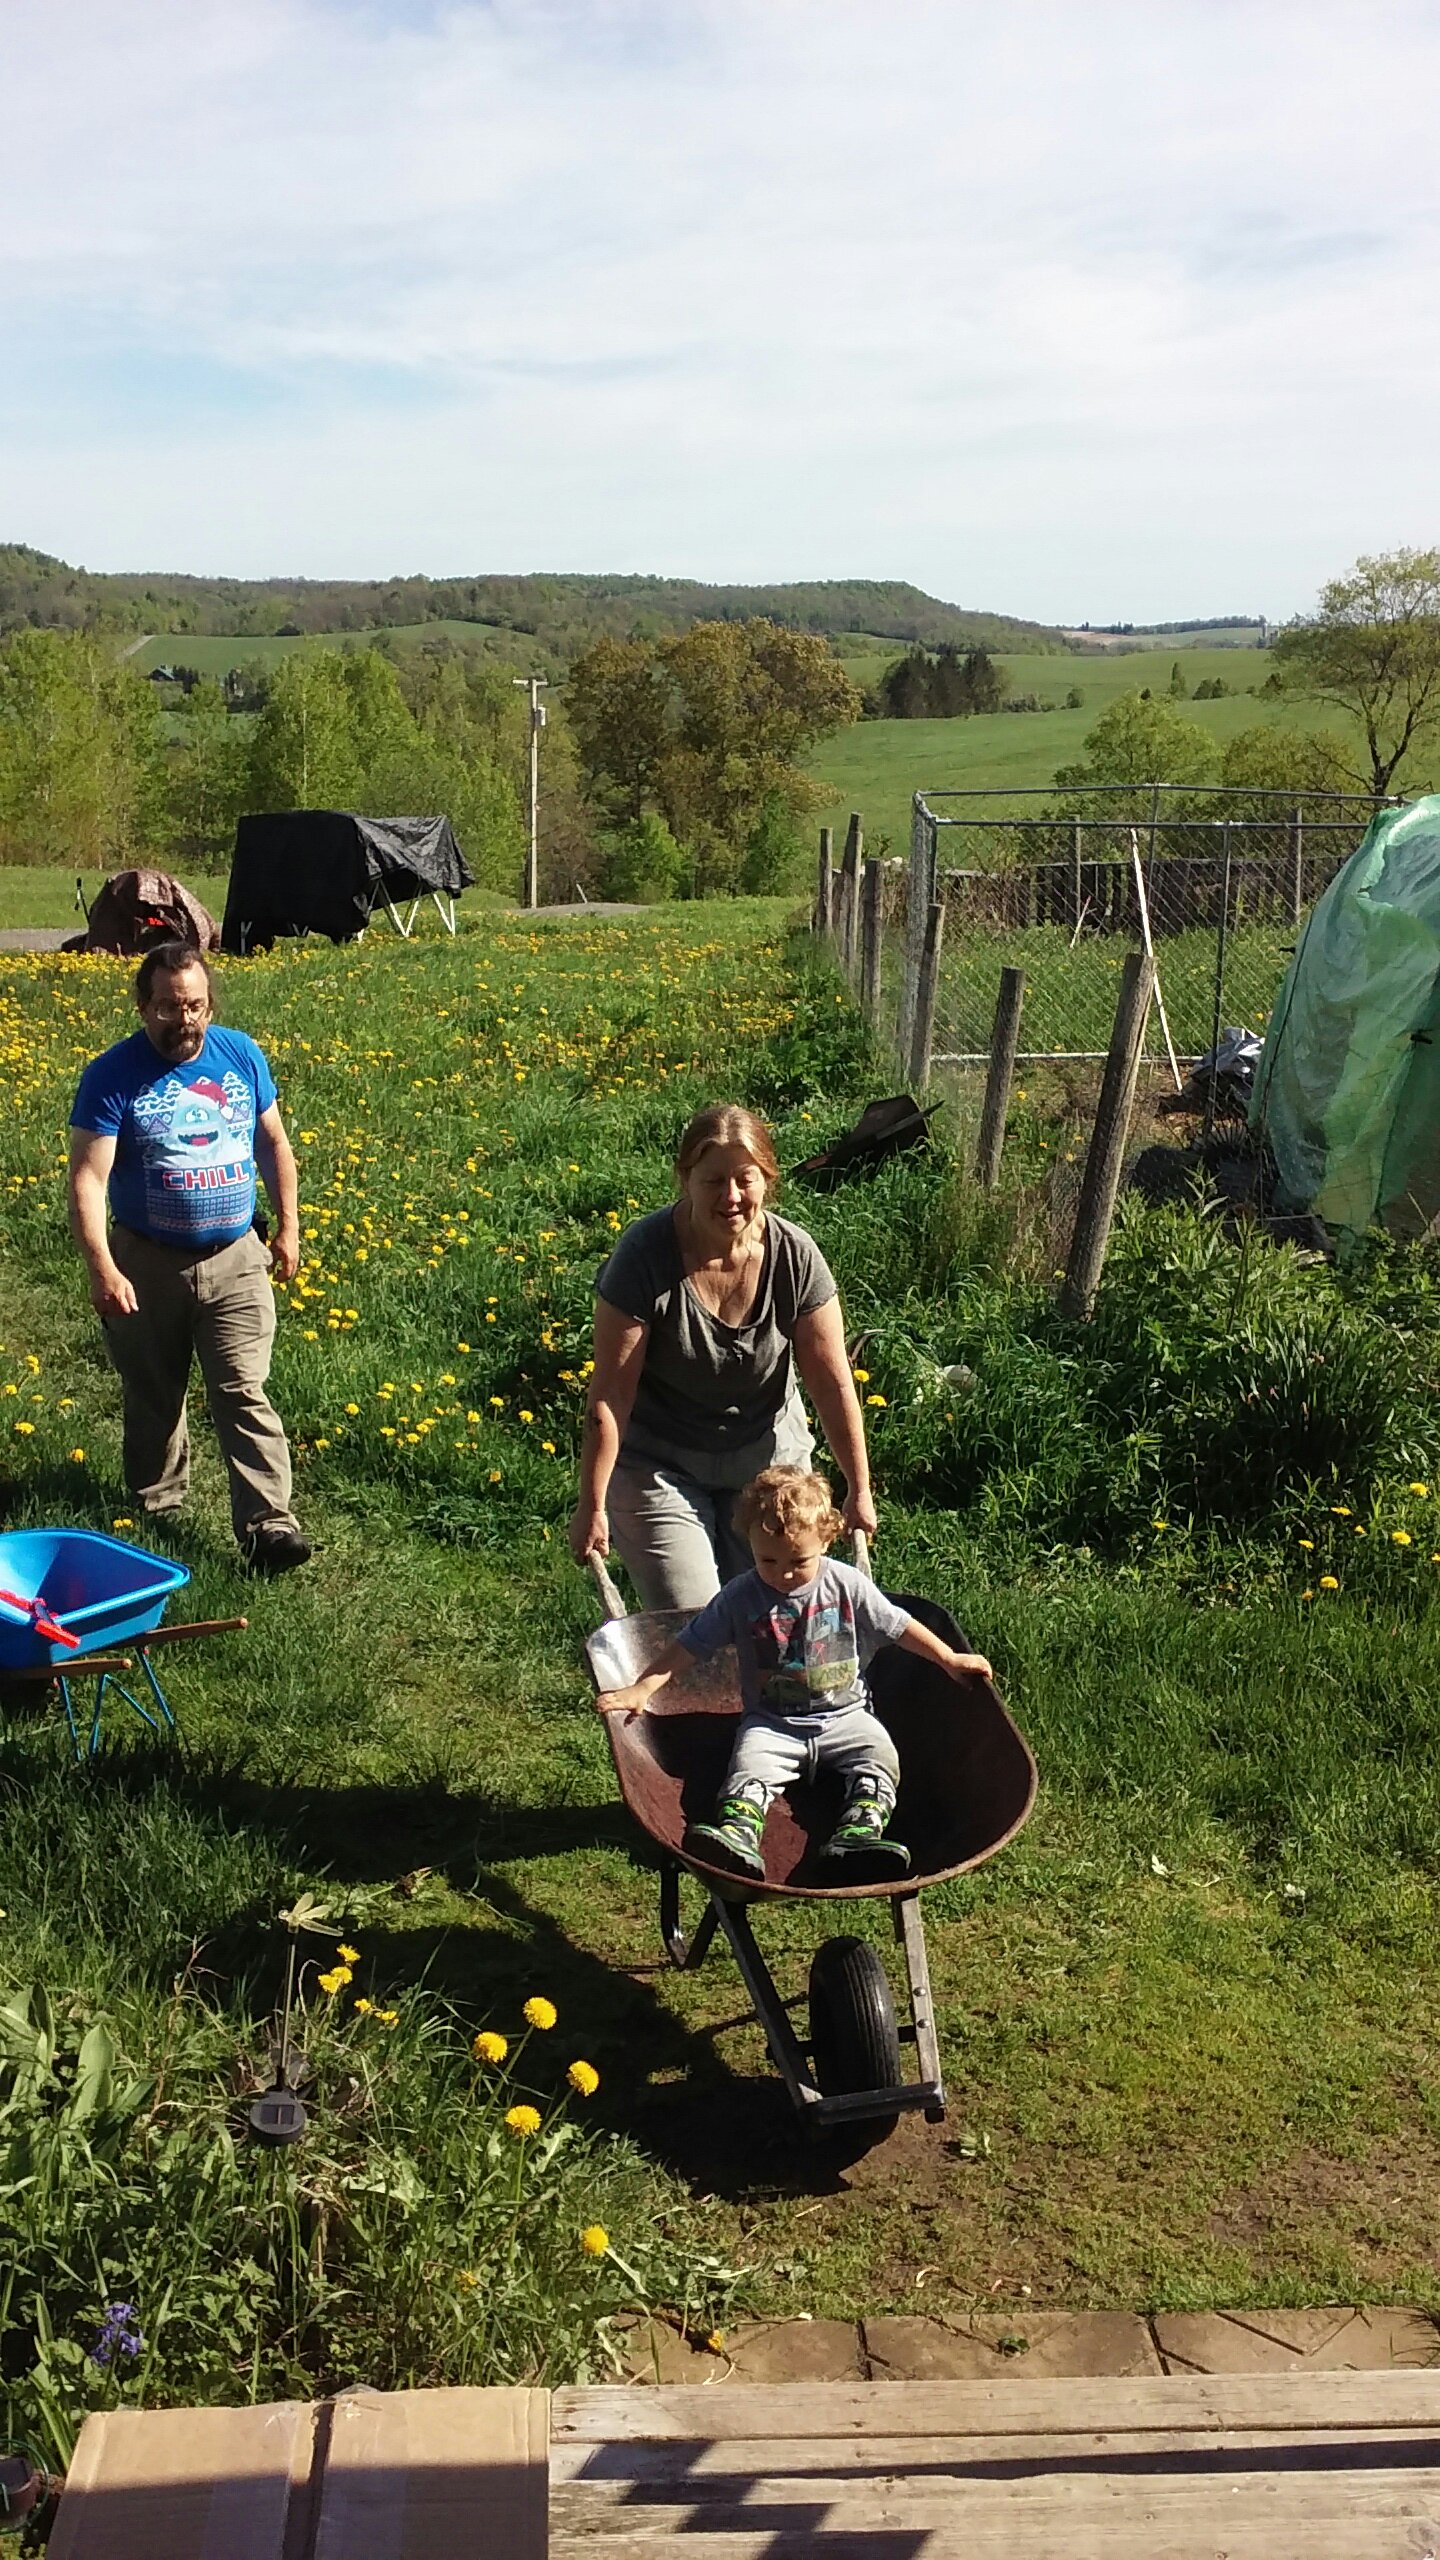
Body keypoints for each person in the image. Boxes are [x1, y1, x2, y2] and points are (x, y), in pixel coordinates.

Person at [596, 1465, 993, 1878]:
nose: (783, 1573)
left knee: (879, 1757)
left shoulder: (847, 1584)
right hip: (773, 1722)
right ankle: (738, 1834)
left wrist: (948, 1658)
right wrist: (643, 1687)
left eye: (798, 1560)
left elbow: (898, 1626)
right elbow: (691, 1644)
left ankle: (857, 1835)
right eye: (767, 1559)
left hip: (847, 1716)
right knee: (749, 1766)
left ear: (826, 1540)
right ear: (749, 1541)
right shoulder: (740, 1596)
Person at [568, 1102, 878, 1612]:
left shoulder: (795, 1257)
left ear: (766, 1181)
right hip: (660, 1464)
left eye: (744, 1179)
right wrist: (592, 1504)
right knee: (697, 1623)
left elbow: (832, 1382)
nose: (731, 1197)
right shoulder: (643, 1258)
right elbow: (611, 1395)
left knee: (775, 1611)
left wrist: (859, 1488)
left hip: (766, 1458)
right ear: (685, 1180)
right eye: (713, 1180)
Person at [67, 942, 310, 1575]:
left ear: (210, 1005)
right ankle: (155, 1512)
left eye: (196, 1006)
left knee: (242, 1390)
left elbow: (273, 1144)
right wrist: (103, 1266)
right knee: (154, 1392)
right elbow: (88, 1178)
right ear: (143, 1006)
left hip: (236, 1256)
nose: (185, 1020)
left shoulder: (241, 1055)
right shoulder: (113, 1074)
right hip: (147, 1262)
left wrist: (288, 1226)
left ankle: (269, 1527)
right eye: (169, 1007)